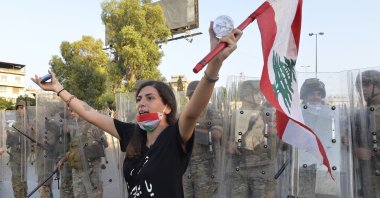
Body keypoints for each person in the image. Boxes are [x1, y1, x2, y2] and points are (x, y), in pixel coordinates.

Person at [31, 23, 242, 197]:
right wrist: (58, 88)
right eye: (139, 99)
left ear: (167, 106)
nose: (142, 103)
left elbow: (194, 110)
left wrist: (215, 64)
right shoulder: (131, 134)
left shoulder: (175, 136)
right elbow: (89, 113)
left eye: (150, 98)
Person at [225, 79, 277, 197]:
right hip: (239, 167)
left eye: (260, 93)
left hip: (262, 166)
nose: (260, 96)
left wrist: (273, 132)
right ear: (246, 94)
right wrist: (229, 144)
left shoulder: (266, 114)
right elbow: (223, 137)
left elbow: (276, 133)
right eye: (256, 93)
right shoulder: (234, 115)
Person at [182, 81, 223, 198]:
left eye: (195, 95)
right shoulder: (183, 114)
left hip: (205, 166)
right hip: (186, 165)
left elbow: (217, 134)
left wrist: (192, 129)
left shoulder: (211, 113)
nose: (192, 99)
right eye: (191, 96)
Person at [56, 109, 107, 198]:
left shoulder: (93, 125)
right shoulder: (74, 127)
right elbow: (73, 149)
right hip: (77, 172)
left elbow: (105, 144)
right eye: (70, 111)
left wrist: (92, 146)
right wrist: (62, 160)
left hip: (92, 171)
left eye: (73, 111)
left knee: (95, 195)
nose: (71, 113)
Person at [352, 70, 380, 198]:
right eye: (359, 86)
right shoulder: (360, 114)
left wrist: (374, 152)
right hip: (364, 177)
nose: (362, 89)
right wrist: (353, 148)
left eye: (366, 84)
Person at [6, 101, 28, 198]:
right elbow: (7, 143)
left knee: (22, 181)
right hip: (14, 157)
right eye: (18, 108)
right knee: (16, 181)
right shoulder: (13, 124)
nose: (19, 110)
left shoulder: (30, 123)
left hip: (23, 157)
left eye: (22, 107)